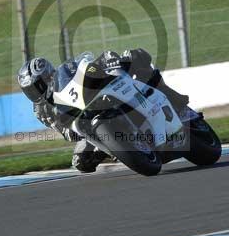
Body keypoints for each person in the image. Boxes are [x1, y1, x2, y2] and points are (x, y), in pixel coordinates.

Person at [18, 49, 193, 173]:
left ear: (47, 73)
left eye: (37, 85)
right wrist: (67, 132)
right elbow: (59, 128)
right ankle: (118, 150)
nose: (36, 92)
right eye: (31, 90)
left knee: (134, 56)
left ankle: (174, 101)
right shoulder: (41, 111)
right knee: (80, 163)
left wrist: (108, 60)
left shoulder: (66, 71)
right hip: (83, 125)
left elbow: (88, 65)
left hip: (99, 96)